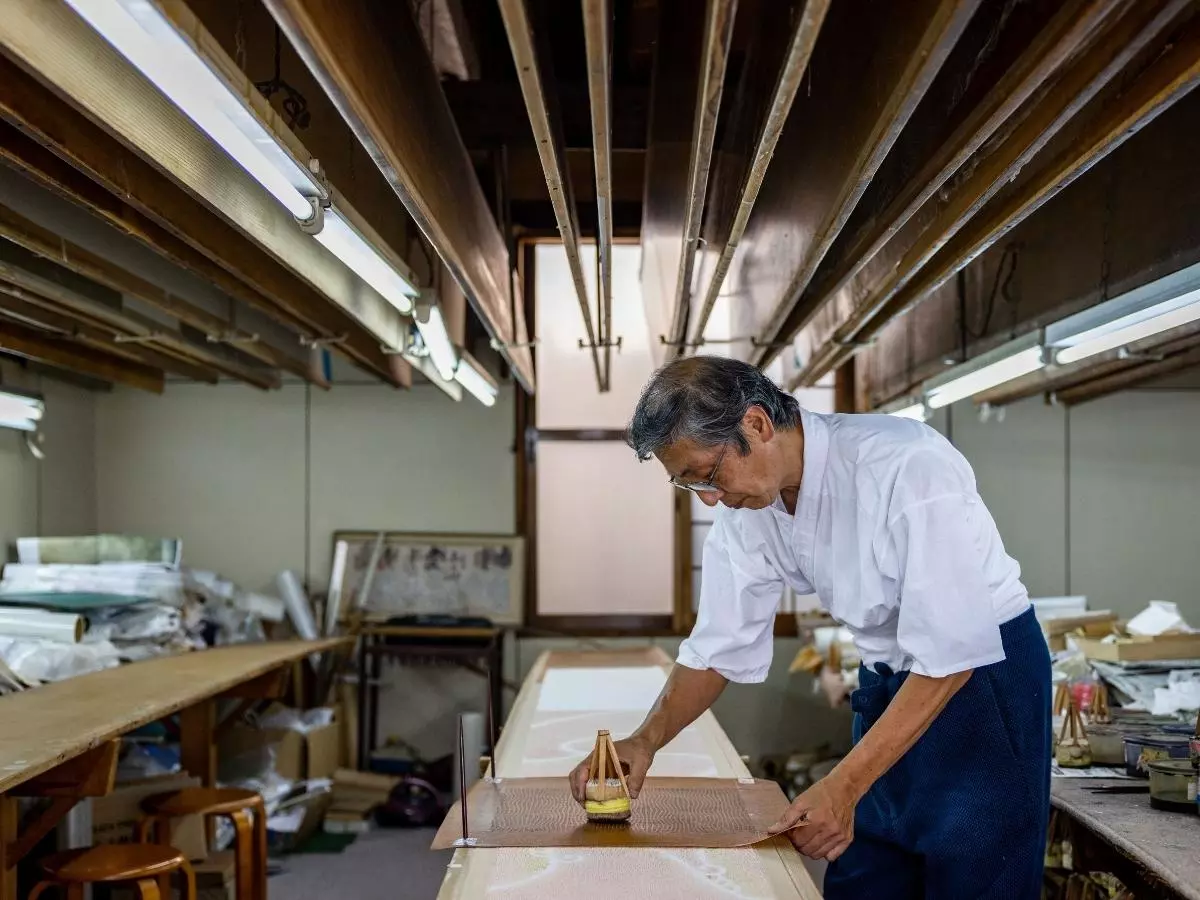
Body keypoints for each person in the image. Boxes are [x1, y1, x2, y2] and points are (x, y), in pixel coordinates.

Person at [568, 356, 1051, 900]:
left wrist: (844, 784)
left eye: (707, 474)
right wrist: (645, 740)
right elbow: (719, 646)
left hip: (983, 684)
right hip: (888, 682)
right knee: (869, 875)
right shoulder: (747, 505)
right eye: (687, 485)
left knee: (974, 875)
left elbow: (952, 653)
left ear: (757, 424)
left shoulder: (907, 465)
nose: (708, 498)